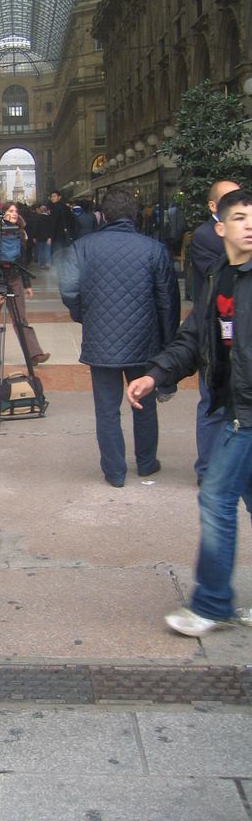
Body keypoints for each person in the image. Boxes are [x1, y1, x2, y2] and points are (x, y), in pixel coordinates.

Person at [126, 189, 252, 637]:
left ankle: (212, 603)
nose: (249, 226)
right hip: (235, 406)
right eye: (240, 218)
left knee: (216, 498)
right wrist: (155, 375)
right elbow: (195, 336)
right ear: (220, 228)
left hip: (247, 415)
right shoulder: (220, 277)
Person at [59, 187, 180, 487]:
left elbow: (69, 289)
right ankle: (147, 463)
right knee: (144, 404)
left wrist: (85, 314)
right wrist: (168, 344)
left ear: (103, 215)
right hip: (145, 339)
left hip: (100, 340)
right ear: (135, 216)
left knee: (107, 409)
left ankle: (114, 472)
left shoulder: (83, 247)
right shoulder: (154, 249)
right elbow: (167, 302)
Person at [187, 179, 240, 482]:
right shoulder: (205, 236)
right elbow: (220, 273)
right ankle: (207, 470)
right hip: (215, 331)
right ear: (213, 206)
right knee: (213, 404)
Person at [0, 202, 49, 366]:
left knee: (20, 317)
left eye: (16, 211)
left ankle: (33, 354)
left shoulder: (20, 232)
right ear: (3, 213)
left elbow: (22, 261)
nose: (14, 213)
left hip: (15, 277)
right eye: (10, 211)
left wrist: (27, 284)